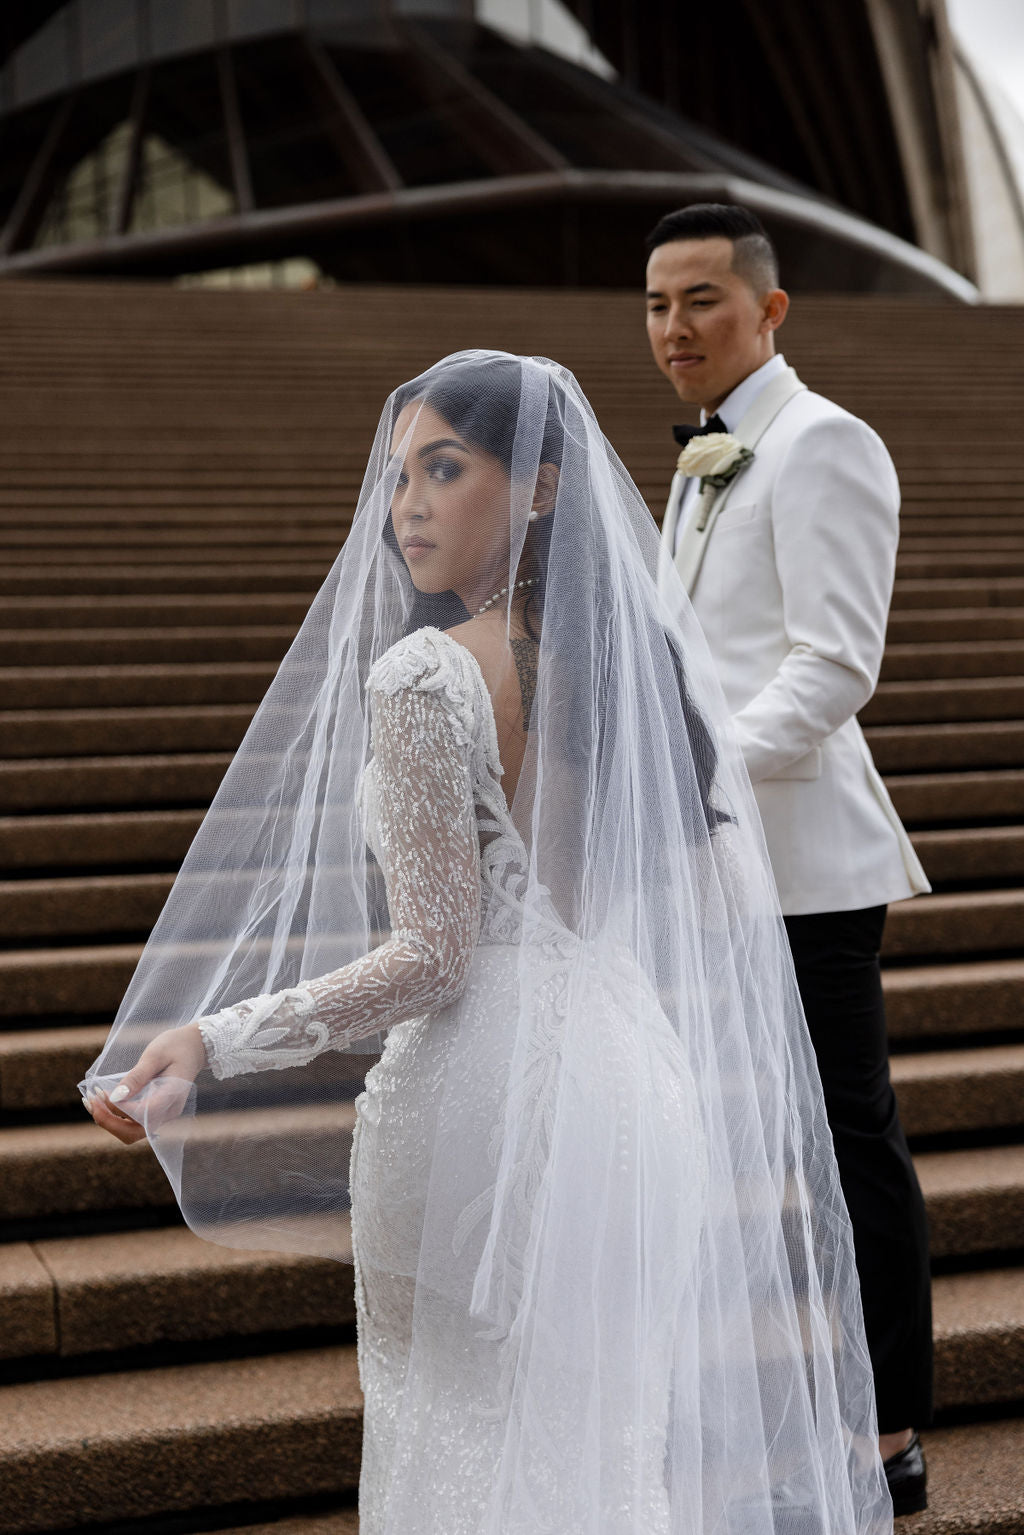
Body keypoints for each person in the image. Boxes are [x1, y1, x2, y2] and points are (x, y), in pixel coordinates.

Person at [84, 352, 892, 1535]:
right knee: (602, 1441)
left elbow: (434, 955)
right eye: (400, 472)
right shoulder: (633, 668)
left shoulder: (423, 675)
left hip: (474, 1098)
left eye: (445, 468)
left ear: (540, 489)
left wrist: (213, 1036)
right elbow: (692, 902)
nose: (405, 502)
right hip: (627, 1086)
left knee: (446, 1434)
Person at [646, 203, 933, 1516]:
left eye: (701, 299)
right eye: (656, 305)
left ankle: (889, 1425)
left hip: (807, 864)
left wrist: (694, 769)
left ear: (770, 309)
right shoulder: (702, 454)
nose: (673, 328)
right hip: (706, 866)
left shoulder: (824, 443)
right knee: (732, 1144)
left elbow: (833, 662)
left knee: (847, 1140)